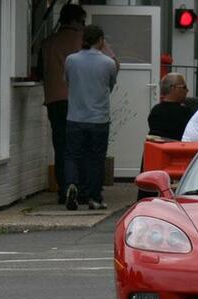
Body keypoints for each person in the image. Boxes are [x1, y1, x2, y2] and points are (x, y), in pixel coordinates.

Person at [63, 25, 118, 211]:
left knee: (72, 155)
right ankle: (95, 198)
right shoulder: (108, 63)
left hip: (75, 117)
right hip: (99, 119)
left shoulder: (71, 60)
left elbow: (68, 82)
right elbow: (110, 86)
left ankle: (71, 185)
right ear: (100, 40)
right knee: (96, 159)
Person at [39, 4, 86, 204]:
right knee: (81, 145)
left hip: (55, 100)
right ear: (76, 21)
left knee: (61, 145)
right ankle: (80, 188)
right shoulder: (84, 40)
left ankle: (64, 188)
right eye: (82, 21)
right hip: (79, 100)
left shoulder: (48, 43)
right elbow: (112, 62)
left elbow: (40, 71)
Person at [147, 73, 194, 140]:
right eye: (184, 87)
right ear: (173, 88)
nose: (187, 90)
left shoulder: (155, 110)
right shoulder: (185, 112)